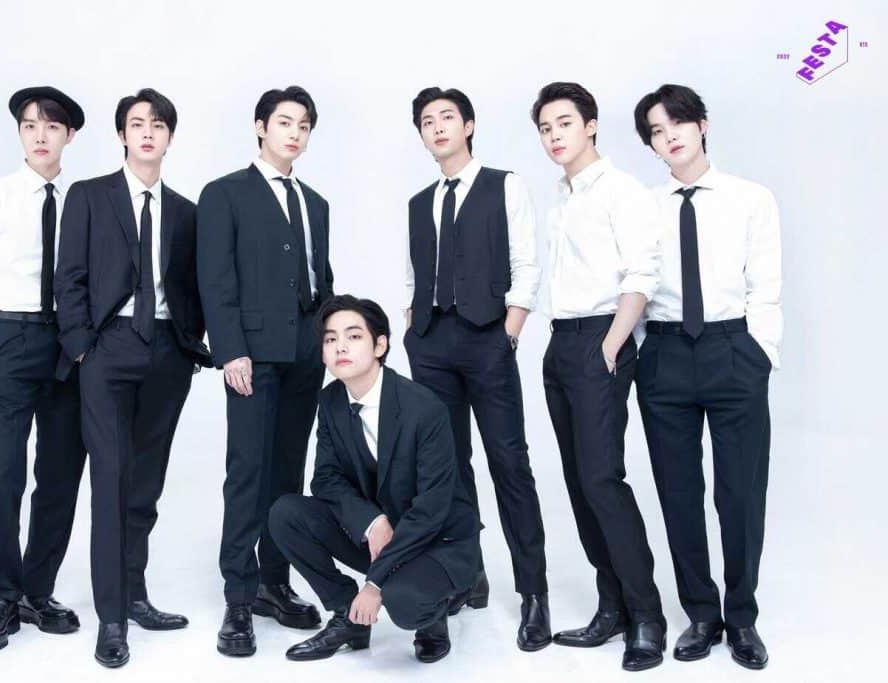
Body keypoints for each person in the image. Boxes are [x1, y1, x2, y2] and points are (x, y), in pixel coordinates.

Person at [54, 88, 212, 667]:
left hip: (168, 352)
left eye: (158, 124)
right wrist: (82, 349)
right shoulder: (89, 195)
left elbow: (194, 286)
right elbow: (69, 276)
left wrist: (191, 344)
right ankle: (113, 618)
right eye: (137, 124)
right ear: (122, 135)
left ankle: (135, 593)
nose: (148, 132)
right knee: (111, 480)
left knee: (145, 484)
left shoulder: (188, 211)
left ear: (170, 137)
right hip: (108, 348)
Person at [632, 83, 782, 670]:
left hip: (732, 349)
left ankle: (741, 617)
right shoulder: (644, 207)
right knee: (678, 493)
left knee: (740, 494)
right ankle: (701, 613)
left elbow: (765, 283)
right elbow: (633, 284)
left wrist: (758, 353)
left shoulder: (750, 198)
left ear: (702, 125)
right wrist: (645, 350)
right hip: (665, 354)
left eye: (677, 123)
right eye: (656, 131)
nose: (668, 136)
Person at [403, 86, 551, 652]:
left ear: (468, 125)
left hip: (488, 338)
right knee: (447, 468)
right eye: (427, 121)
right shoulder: (419, 202)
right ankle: (469, 573)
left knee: (509, 463)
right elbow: (414, 275)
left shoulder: (504, 185)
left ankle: (533, 593)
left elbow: (526, 265)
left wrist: (507, 333)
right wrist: (414, 326)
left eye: (447, 117)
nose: (437, 127)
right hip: (432, 344)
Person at [532, 81, 666, 671]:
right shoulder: (561, 200)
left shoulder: (621, 190)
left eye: (564, 123)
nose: (554, 136)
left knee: (602, 479)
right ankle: (610, 607)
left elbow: (642, 275)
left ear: (590, 125)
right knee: (579, 482)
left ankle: (647, 616)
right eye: (545, 128)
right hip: (562, 342)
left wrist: (612, 344)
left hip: (599, 341)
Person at [269, 295, 481, 664]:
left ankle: (433, 617)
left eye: (353, 336)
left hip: (436, 539)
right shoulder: (331, 401)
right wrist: (371, 521)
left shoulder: (424, 408)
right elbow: (326, 479)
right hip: (382, 533)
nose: (341, 347)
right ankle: (347, 617)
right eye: (331, 339)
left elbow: (431, 510)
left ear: (380, 345)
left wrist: (374, 584)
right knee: (286, 514)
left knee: (403, 600)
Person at [197, 86, 332, 657]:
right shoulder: (225, 193)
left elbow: (320, 278)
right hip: (251, 355)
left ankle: (275, 583)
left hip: (305, 353)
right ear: (260, 127)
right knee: (248, 472)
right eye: (284, 122)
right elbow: (215, 278)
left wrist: (331, 343)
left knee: (287, 473)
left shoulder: (315, 203)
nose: (294, 133)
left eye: (303, 125)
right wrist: (230, 350)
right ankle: (239, 595)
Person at [0, 85, 86, 653]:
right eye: (30, 125)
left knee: (59, 475)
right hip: (10, 339)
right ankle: (3, 595)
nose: (40, 135)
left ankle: (38, 589)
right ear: (18, 132)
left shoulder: (81, 201)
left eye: (52, 126)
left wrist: (82, 343)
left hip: (68, 345)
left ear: (69, 136)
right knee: (4, 473)